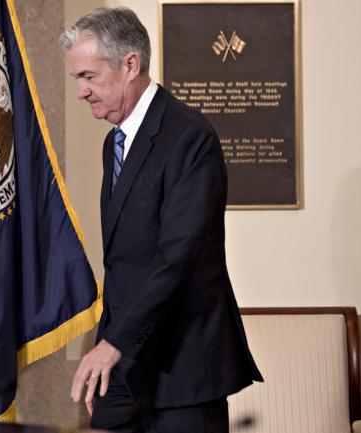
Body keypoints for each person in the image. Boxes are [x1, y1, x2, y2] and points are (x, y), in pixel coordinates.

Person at [60, 7, 263, 433]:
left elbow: (178, 257)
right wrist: (106, 356)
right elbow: (122, 266)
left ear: (130, 64)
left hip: (184, 369)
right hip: (125, 368)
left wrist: (111, 347)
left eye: (88, 76)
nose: (81, 91)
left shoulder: (190, 136)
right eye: (78, 78)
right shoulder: (112, 143)